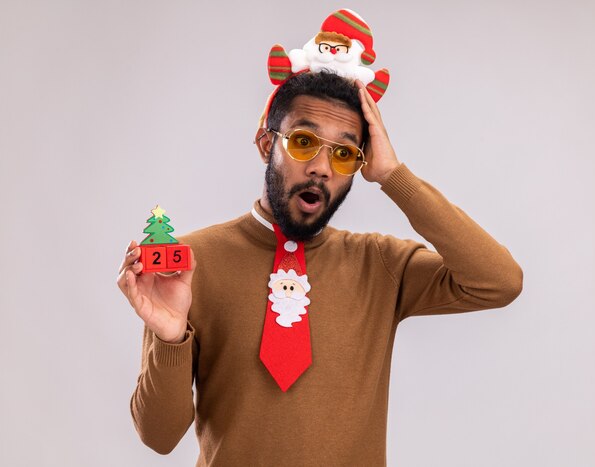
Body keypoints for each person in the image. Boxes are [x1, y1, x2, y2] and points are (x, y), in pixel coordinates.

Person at [117, 69, 523, 466]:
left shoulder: (381, 265)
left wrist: (393, 176)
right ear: (265, 144)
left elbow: (499, 282)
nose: (321, 168)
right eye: (304, 141)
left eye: (344, 154)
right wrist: (170, 339)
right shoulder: (188, 263)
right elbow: (159, 437)